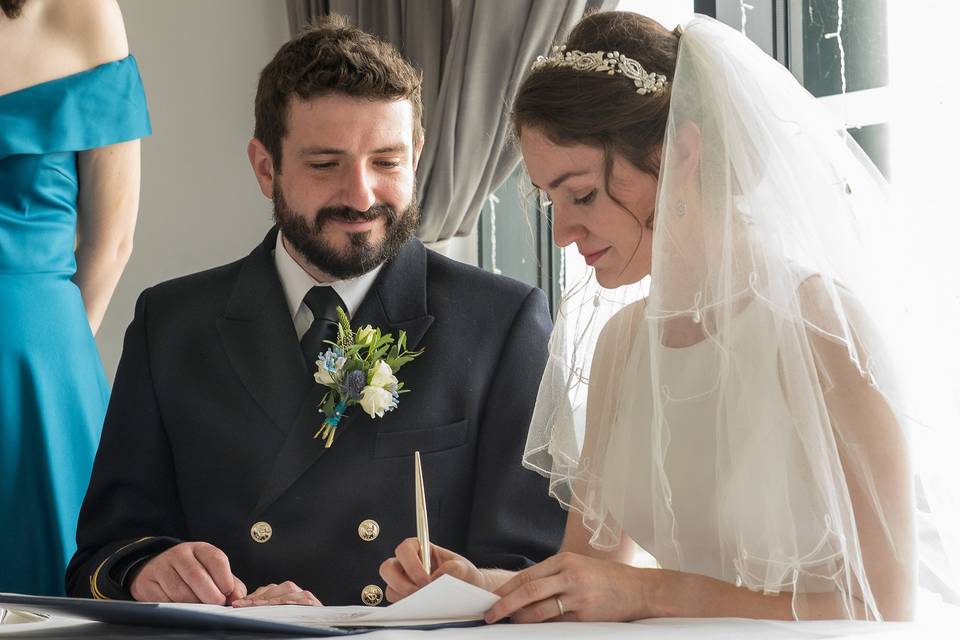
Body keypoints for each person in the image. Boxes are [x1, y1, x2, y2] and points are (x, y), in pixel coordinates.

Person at [381, 11, 960, 622]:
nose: (564, 233)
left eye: (581, 195)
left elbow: (888, 606)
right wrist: (480, 586)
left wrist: (652, 593)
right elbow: (594, 573)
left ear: (680, 153)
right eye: (552, 201)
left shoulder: (824, 331)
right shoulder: (622, 346)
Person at [65, 14, 565, 606]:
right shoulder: (170, 325)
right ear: (264, 167)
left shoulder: (504, 323)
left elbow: (535, 571)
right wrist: (148, 570)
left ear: (418, 153)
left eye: (387, 161)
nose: (360, 195)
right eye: (326, 165)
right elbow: (102, 557)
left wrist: (453, 593)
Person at [0, 0, 148, 595]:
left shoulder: (81, 9)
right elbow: (111, 245)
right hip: (41, 352)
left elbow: (113, 244)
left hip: (37, 358)